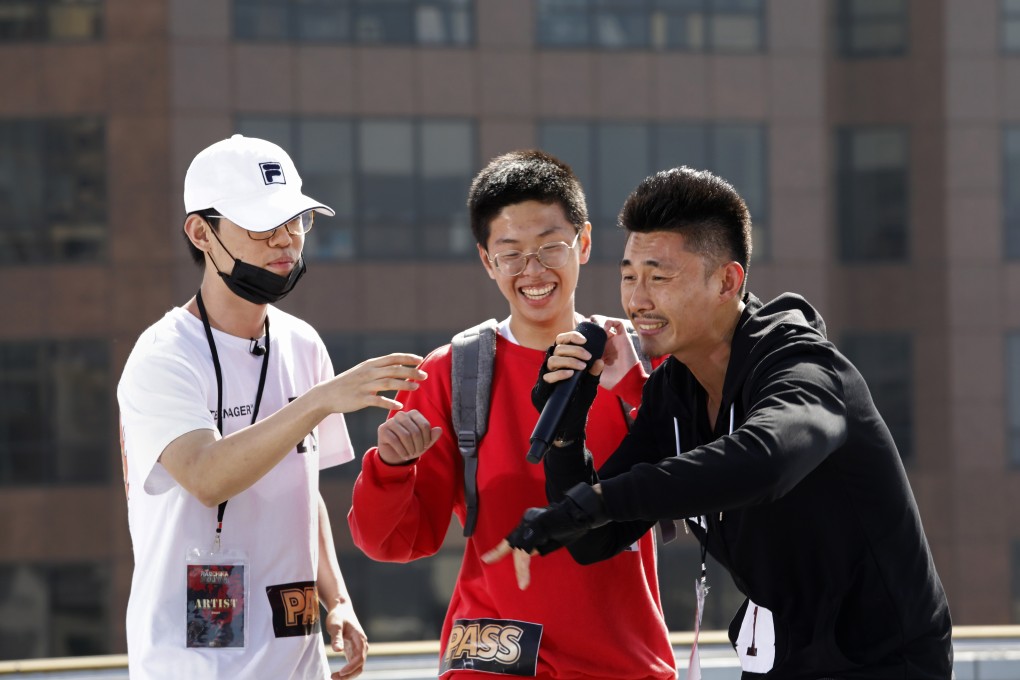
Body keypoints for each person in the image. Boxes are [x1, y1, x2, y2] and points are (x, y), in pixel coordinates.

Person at [485, 166, 954, 679]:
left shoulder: (803, 367)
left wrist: (598, 501)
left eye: (660, 277)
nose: (638, 300)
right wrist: (566, 436)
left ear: (728, 280)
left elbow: (767, 459)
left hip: (889, 664)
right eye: (628, 277)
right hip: (783, 662)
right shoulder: (675, 390)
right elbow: (596, 540)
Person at [346, 150, 676, 679]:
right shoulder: (453, 372)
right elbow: (394, 542)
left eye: (550, 248)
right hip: (492, 659)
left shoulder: (642, 356)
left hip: (623, 660)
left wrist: (636, 386)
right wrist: (389, 467)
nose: (533, 271)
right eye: (512, 254)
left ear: (584, 244)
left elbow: (707, 468)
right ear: (486, 261)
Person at [118, 134, 427, 679]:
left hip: (297, 661)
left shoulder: (302, 343)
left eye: (297, 221)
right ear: (200, 231)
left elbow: (302, 493)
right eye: (263, 226)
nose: (287, 241)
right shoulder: (162, 354)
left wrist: (338, 599)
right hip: (190, 665)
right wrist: (319, 401)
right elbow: (205, 476)